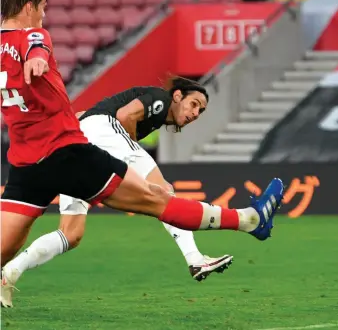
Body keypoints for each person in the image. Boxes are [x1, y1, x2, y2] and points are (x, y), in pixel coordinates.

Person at [0, 0, 285, 308]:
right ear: (29, 6)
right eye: (43, 8)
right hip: (67, 153)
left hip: (25, 163)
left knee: (23, 244)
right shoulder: (33, 35)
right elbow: (36, 46)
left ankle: (10, 275)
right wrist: (37, 58)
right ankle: (248, 219)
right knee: (159, 199)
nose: (44, 16)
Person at [2, 78, 234, 305]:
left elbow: (83, 115)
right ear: (177, 96)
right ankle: (194, 258)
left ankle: (12, 270)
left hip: (78, 145)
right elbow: (125, 116)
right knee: (164, 190)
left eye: (201, 111)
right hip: (104, 134)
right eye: (194, 104)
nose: (195, 113)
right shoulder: (160, 99)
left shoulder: (152, 110)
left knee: (71, 234)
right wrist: (128, 160)